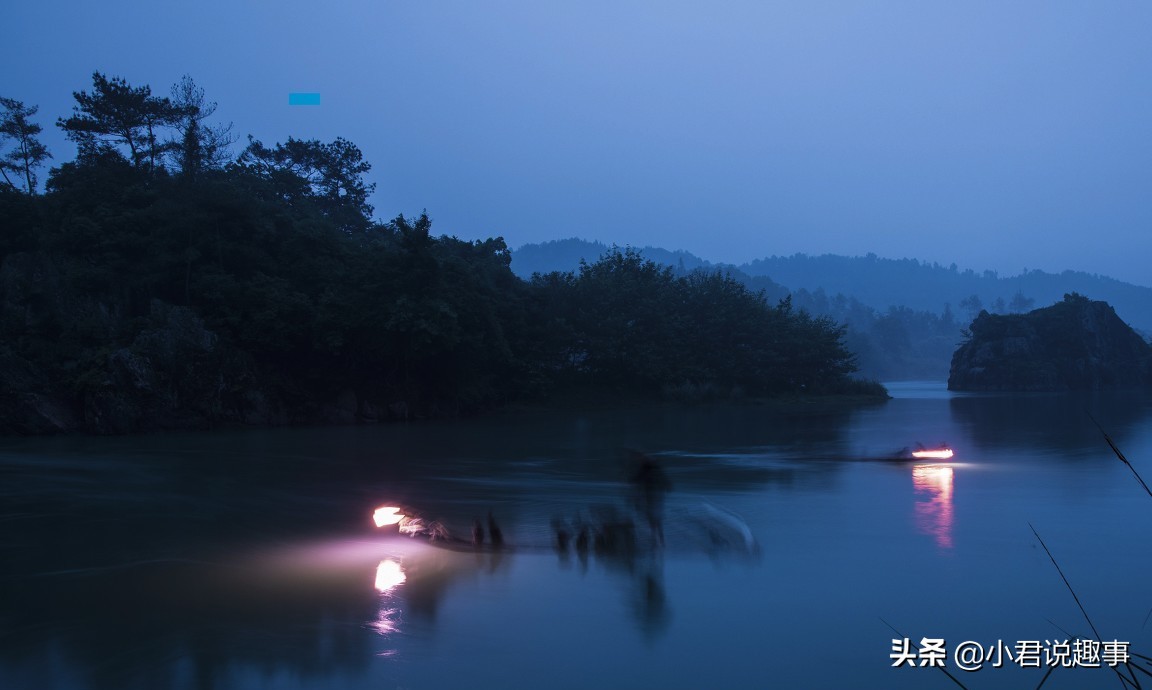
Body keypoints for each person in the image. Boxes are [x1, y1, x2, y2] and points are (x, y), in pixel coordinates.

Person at [628, 451, 671, 547]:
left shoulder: (647, 469)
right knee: (655, 519)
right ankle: (659, 540)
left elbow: (637, 479)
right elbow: (665, 482)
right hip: (655, 496)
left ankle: (657, 540)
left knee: (652, 518)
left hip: (651, 496)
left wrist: (632, 482)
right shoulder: (654, 469)